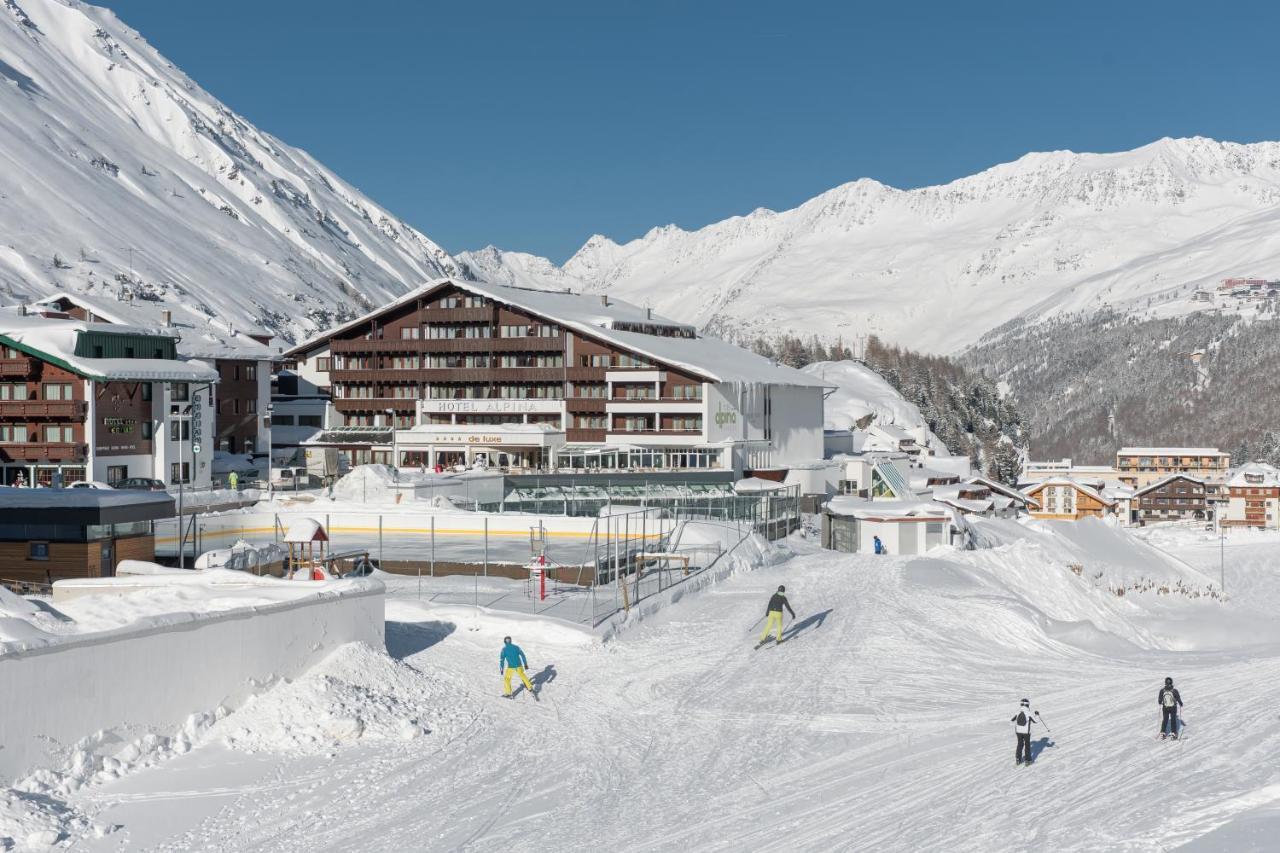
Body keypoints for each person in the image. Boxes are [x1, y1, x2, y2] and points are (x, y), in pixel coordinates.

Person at [1011, 698, 1038, 765]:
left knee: (1020, 744)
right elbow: (1035, 721)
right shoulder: (1028, 713)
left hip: (1018, 731)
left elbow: (1012, 719)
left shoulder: (1018, 712)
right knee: (1027, 745)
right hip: (1026, 732)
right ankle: (1028, 760)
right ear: (1028, 705)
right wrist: (1036, 715)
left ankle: (1018, 759)